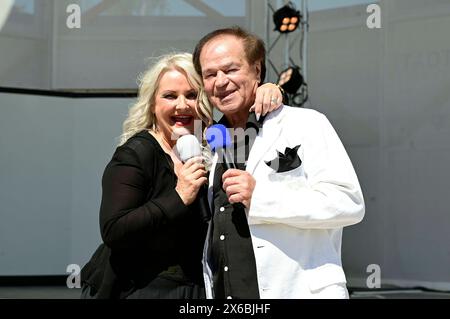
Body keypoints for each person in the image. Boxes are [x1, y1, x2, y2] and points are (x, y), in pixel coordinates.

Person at [80, 52, 283, 299]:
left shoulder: (214, 148)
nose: (182, 105)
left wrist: (268, 91)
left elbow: (246, 119)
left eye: (191, 95)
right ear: (153, 105)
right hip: (138, 289)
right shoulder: (137, 153)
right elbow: (114, 230)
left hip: (197, 288)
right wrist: (178, 196)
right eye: (169, 96)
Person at [193, 27, 365, 299]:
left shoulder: (306, 123)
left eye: (231, 69)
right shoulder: (213, 144)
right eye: (210, 74)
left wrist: (260, 196)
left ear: (257, 71)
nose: (221, 81)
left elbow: (348, 203)